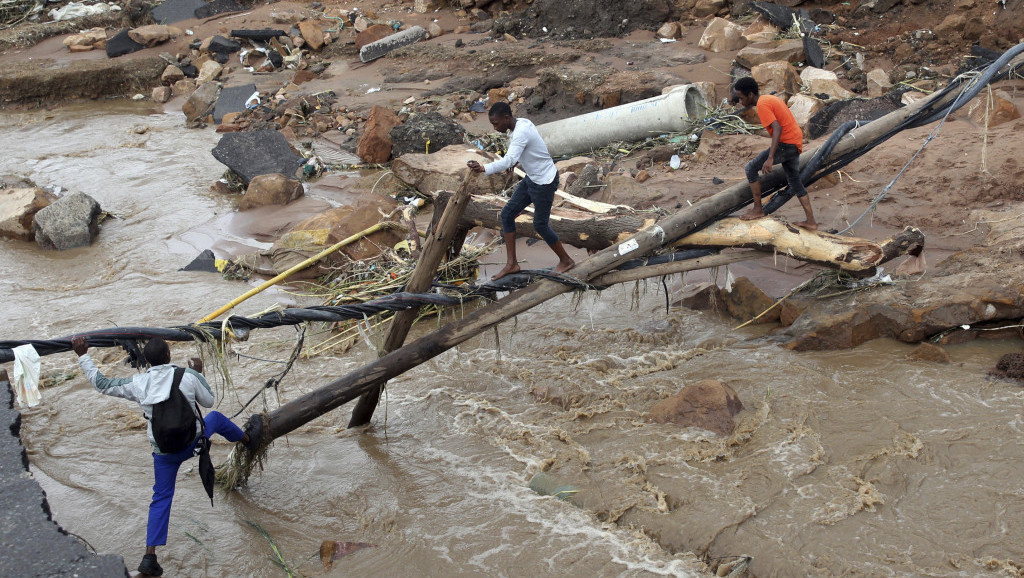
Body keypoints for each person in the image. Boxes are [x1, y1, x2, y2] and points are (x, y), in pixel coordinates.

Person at [71, 336, 260, 577]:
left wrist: (82, 355)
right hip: (193, 443)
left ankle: (150, 557)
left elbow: (102, 384)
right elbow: (209, 400)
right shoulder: (188, 377)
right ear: (169, 356)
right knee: (216, 418)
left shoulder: (139, 383)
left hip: (165, 455)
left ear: (147, 361)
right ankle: (247, 440)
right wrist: (198, 372)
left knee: (161, 499)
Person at [467, 102, 575, 280]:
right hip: (532, 178)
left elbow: (509, 159)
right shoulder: (521, 123)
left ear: (507, 118)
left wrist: (484, 168)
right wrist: (516, 162)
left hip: (544, 182)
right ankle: (512, 264)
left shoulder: (521, 132)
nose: (495, 128)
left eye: (496, 123)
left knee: (540, 225)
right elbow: (528, 151)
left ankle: (566, 260)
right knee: (507, 214)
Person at [732, 77, 818, 230]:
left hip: (787, 143)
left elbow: (777, 128)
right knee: (795, 181)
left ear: (751, 95)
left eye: (741, 97)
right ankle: (811, 221)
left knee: (751, 168)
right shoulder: (768, 98)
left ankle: (758, 209)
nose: (740, 101)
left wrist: (770, 157)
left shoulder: (762, 105)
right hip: (795, 141)